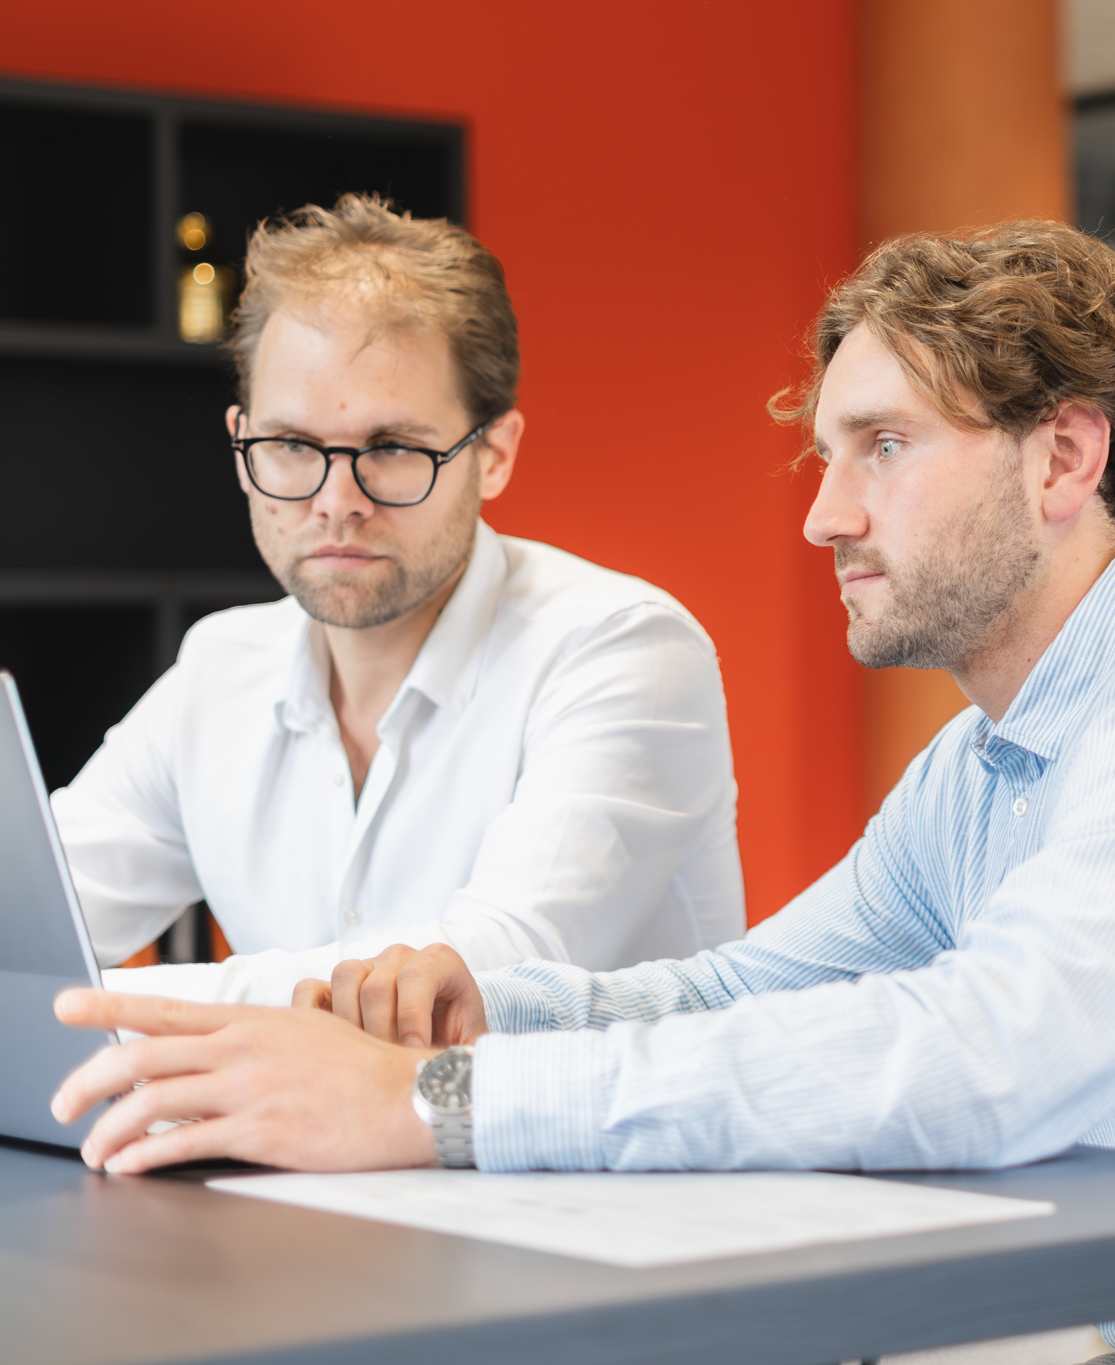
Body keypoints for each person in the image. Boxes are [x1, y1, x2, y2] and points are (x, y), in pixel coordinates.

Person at [51, 221, 1115, 1365]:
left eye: (881, 449)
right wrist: (482, 1013)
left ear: (1064, 459)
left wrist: (433, 1106)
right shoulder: (978, 773)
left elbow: (980, 1059)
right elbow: (739, 990)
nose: (824, 513)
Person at [50, 193, 744, 1003]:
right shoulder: (220, 667)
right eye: (291, 445)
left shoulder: (624, 649)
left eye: (391, 448)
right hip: (311, 1131)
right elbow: (20, 920)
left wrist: (106, 1007)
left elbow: (468, 980)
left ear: (494, 454)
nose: (337, 498)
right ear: (243, 448)